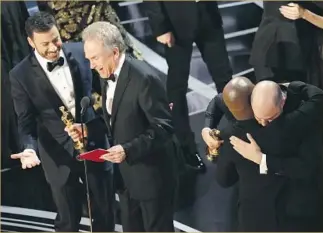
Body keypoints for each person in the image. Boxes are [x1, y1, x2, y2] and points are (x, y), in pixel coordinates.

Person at [66, 21, 176, 232]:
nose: (91, 66)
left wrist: (127, 149)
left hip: (152, 178)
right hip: (126, 179)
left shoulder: (144, 79)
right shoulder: (107, 75)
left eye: (95, 58)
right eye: (88, 59)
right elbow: (116, 120)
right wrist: (89, 129)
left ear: (114, 52)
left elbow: (163, 127)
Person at [9, 12, 114, 232]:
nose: (53, 47)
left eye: (55, 39)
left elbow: (108, 93)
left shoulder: (82, 53)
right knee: (67, 219)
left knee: (105, 212)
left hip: (94, 144)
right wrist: (29, 148)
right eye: (44, 44)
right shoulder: (20, 75)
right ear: (30, 42)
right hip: (57, 155)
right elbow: (25, 121)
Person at [216, 78, 323, 231]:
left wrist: (261, 159)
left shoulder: (231, 136)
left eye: (270, 118)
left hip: (256, 220)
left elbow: (224, 180)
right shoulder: (298, 126)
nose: (264, 124)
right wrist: (292, 85)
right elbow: (318, 98)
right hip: (296, 218)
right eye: (260, 118)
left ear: (282, 102)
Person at [144, 2, 233, 171]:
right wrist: (160, 26)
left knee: (225, 78)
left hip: (208, 15)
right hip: (176, 22)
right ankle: (185, 146)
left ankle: (239, 133)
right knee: (178, 86)